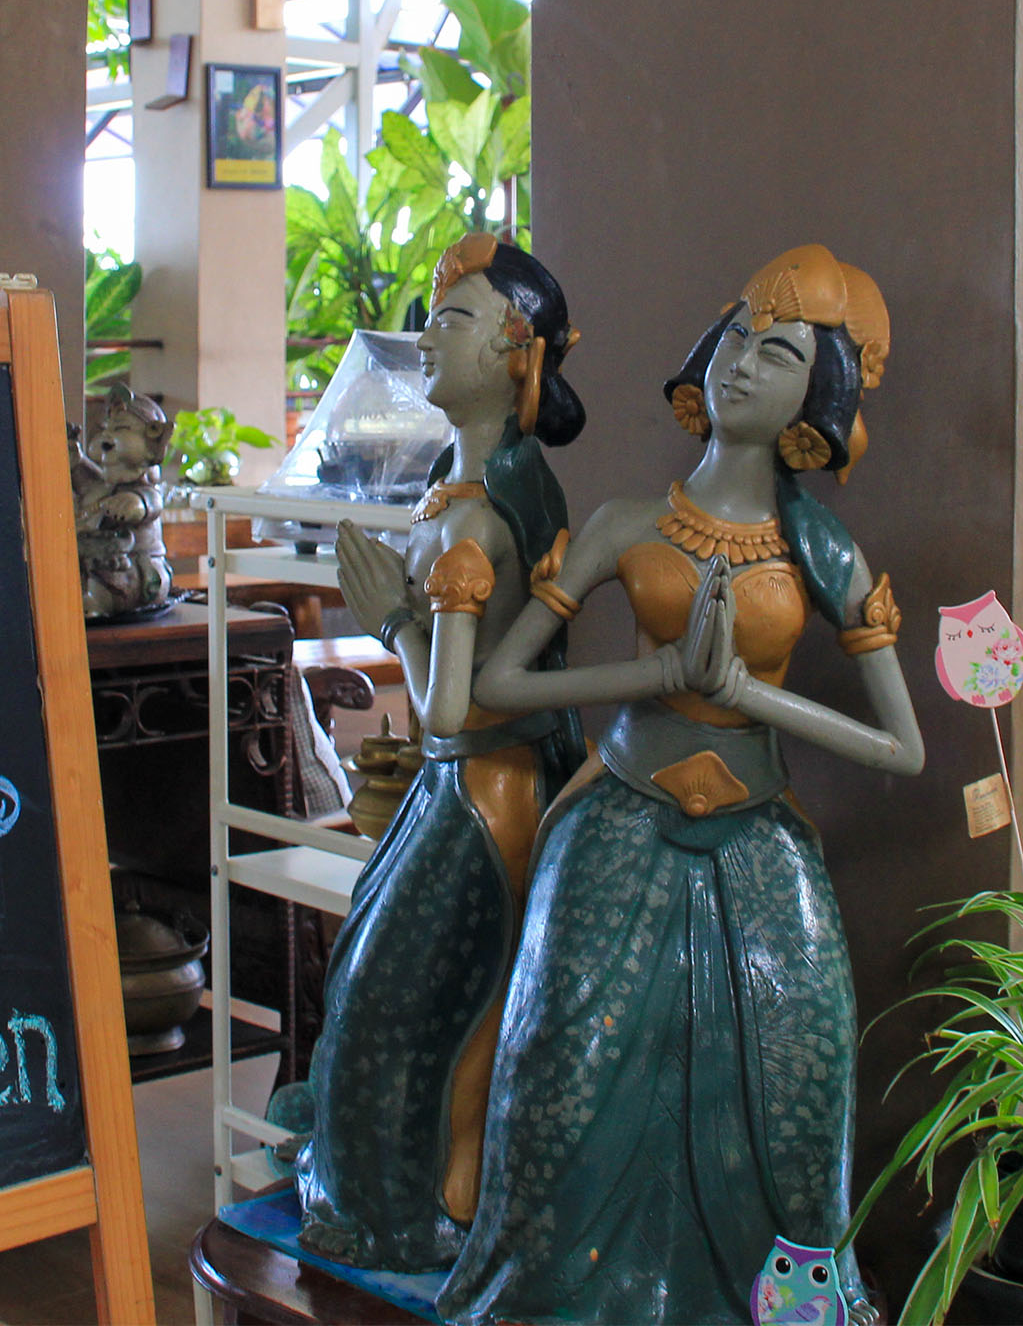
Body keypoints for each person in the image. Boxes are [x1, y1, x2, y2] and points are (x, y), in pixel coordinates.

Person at [441, 244, 924, 1324]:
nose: (744, 363)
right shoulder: (626, 523)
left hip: (759, 834)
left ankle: (780, 1305)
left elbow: (903, 749)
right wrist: (657, 677)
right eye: (738, 338)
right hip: (617, 815)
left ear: (820, 398)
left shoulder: (819, 552)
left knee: (797, 1072)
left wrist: (745, 697)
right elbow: (503, 683)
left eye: (780, 354)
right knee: (563, 1061)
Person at [295, 232, 590, 1271]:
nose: (425, 338)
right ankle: (396, 1197)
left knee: (402, 1000)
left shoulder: (487, 520)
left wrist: (390, 618)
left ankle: (417, 1211)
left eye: (453, 320)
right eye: (430, 318)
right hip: (451, 789)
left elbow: (447, 712)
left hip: (481, 789)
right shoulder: (459, 483)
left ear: (517, 351)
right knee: (388, 987)